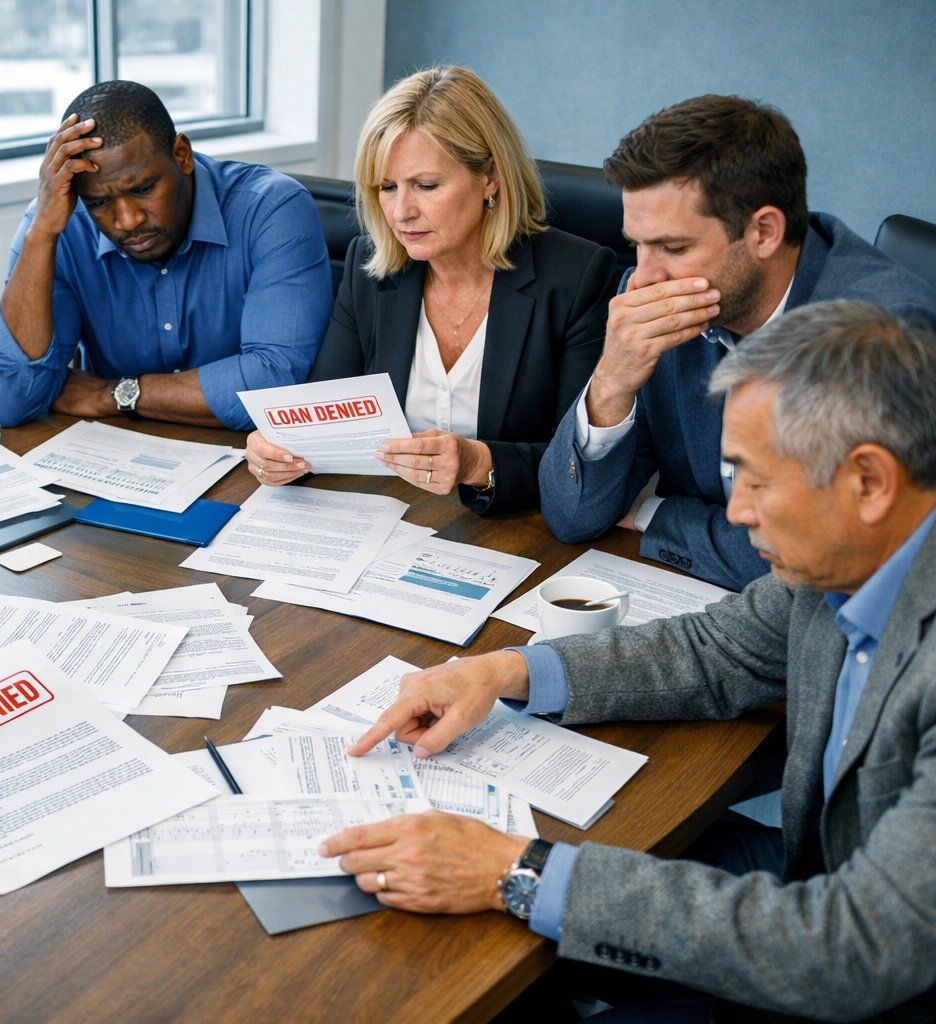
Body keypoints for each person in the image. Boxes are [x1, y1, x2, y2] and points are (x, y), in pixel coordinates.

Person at [324, 301, 936, 1022]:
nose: (736, 513)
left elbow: (852, 948)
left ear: (869, 481)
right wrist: (503, 672)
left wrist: (514, 871)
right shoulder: (848, 557)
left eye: (757, 482)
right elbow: (714, 650)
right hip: (819, 877)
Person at [539, 95, 936, 591]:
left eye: (674, 247)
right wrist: (610, 384)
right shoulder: (654, 298)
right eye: (635, 244)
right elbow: (572, 517)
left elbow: (823, 566)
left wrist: (657, 516)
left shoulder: (880, 338)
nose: (642, 277)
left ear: (764, 232)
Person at [244, 67, 621, 514]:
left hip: (516, 529)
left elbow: (581, 466)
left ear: (490, 178)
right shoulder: (370, 271)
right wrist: (277, 451)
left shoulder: (576, 276)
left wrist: (479, 462)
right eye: (387, 187)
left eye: (426, 186)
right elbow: (325, 421)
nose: (401, 212)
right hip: (389, 519)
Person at [0, 80, 332, 430]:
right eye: (100, 202)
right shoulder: (57, 224)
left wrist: (114, 394)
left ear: (182, 155)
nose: (128, 220)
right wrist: (41, 236)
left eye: (143, 189)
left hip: (257, 463)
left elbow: (274, 384)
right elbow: (11, 400)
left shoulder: (271, 209)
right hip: (123, 459)